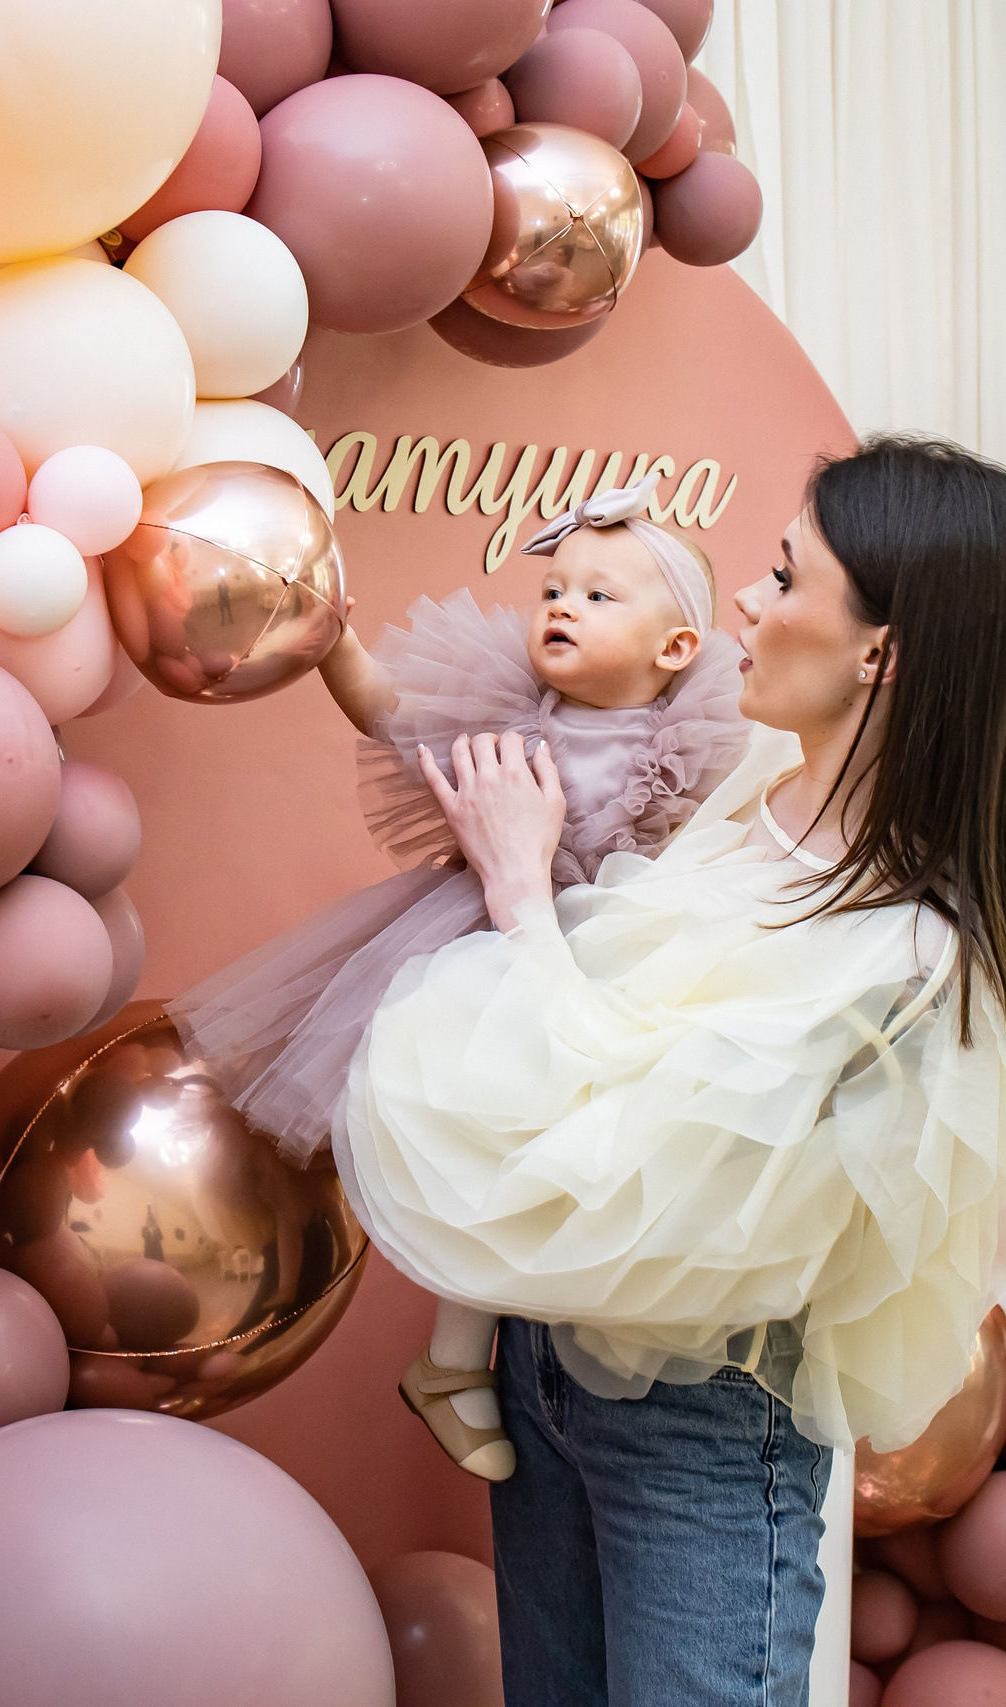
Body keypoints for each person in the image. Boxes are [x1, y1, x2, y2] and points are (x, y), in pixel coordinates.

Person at [335, 435, 1006, 1705]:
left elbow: (649, 1155)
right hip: (543, 1368)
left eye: (785, 580)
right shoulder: (750, 800)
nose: (746, 604)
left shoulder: (908, 949)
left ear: (877, 652)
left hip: (702, 1426)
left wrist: (518, 889)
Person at [172, 473, 750, 1479]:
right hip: (484, 952)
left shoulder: (699, 750)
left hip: (603, 968)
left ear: (676, 651)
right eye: (554, 589)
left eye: (600, 596)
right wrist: (333, 645)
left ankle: (515, 1348)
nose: (563, 605)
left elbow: (711, 869)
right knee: (487, 1148)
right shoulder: (505, 709)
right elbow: (390, 717)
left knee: (557, 1159)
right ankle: (450, 1363)